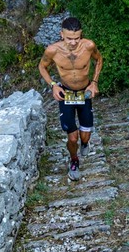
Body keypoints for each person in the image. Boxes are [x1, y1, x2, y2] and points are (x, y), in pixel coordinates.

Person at [39, 17, 103, 181]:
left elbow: (99, 60)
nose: (73, 43)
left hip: (84, 92)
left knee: (85, 136)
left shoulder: (88, 46)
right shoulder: (52, 50)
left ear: (81, 35)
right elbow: (42, 66)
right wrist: (53, 85)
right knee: (72, 136)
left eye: (77, 38)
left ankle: (85, 143)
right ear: (61, 34)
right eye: (69, 38)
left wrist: (94, 83)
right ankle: (74, 161)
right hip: (65, 93)